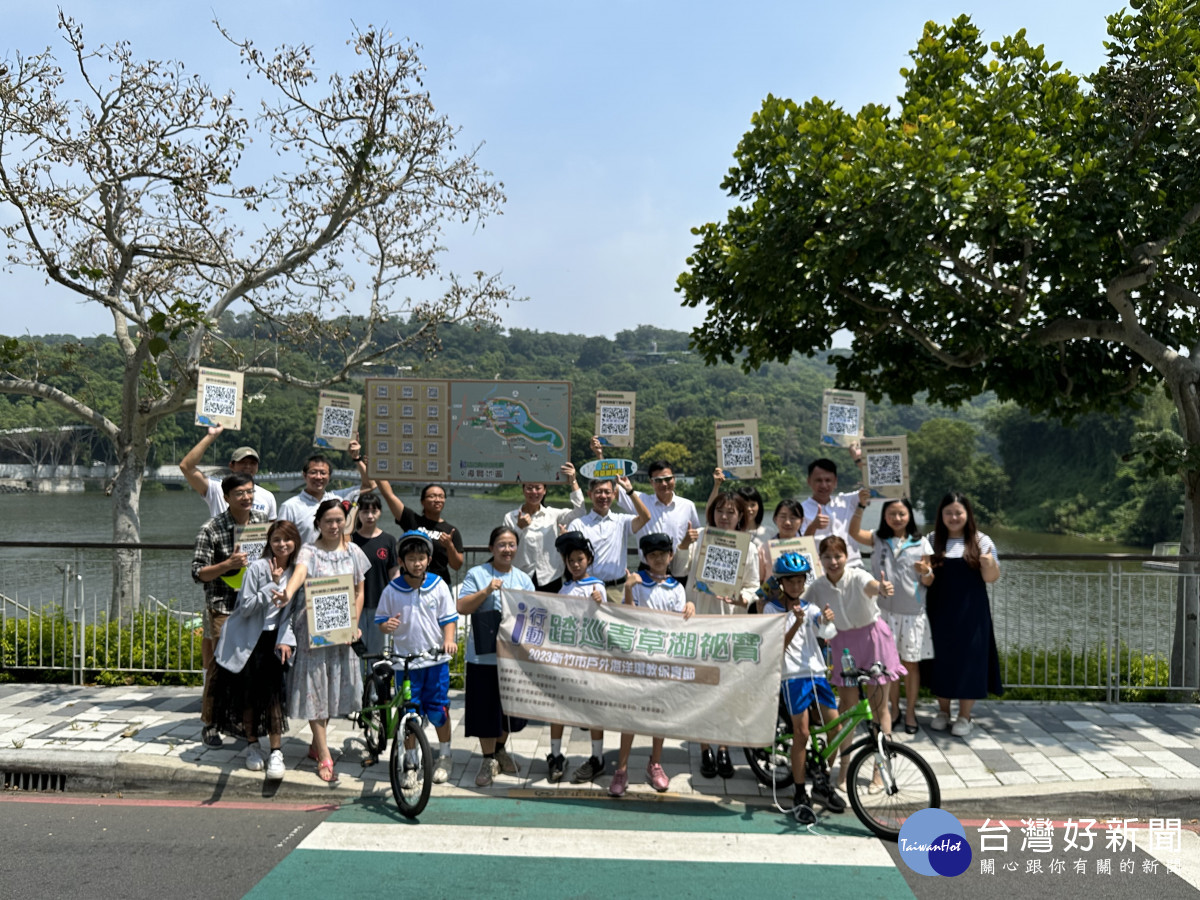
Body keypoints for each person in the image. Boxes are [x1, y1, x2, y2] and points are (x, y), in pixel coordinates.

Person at [276, 498, 369, 783]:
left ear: (346, 522)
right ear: (318, 523)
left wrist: (354, 621)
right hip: (313, 631)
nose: (334, 525)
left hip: (342, 631)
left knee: (331, 688)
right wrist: (288, 592)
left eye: (339, 520)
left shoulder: (353, 551)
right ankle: (325, 753)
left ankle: (316, 745)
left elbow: (359, 590)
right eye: (328, 520)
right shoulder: (309, 551)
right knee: (315, 687)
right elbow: (300, 574)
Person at [808, 535, 904, 791]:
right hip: (843, 646)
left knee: (880, 709)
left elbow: (872, 586)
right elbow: (800, 605)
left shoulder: (857, 575)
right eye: (827, 557)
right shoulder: (817, 586)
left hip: (873, 640)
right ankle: (845, 767)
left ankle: (880, 771)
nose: (833, 562)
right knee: (848, 709)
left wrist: (882, 588)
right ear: (821, 559)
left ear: (846, 556)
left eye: (838, 556)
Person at [209, 519, 304, 780]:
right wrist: (272, 584)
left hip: (276, 639)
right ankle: (252, 745)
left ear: (295, 542)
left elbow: (293, 614)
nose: (282, 544)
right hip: (249, 639)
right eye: (276, 540)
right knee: (249, 696)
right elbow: (246, 607)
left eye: (287, 539)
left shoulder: (297, 571)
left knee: (274, 696)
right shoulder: (259, 568)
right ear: (269, 543)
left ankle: (276, 751)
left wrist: (287, 639)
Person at [610, 533, 695, 797]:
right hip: (638, 658)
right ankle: (621, 768)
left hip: (665, 659)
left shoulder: (677, 588)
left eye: (663, 554)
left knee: (660, 713)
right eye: (653, 555)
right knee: (631, 714)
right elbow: (628, 616)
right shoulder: (637, 583)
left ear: (671, 556)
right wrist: (626, 588)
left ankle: (655, 763)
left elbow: (680, 624)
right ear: (645, 559)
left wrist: (690, 608)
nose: (658, 559)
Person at [684, 491, 761, 780]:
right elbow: (680, 569)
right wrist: (683, 544)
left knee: (728, 690)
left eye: (731, 512)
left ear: (742, 516)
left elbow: (755, 586)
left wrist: (743, 598)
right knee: (703, 688)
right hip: (702, 621)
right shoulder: (700, 537)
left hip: (731, 623)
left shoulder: (749, 547)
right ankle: (705, 747)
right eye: (720, 510)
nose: (724, 516)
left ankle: (724, 747)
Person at [761, 551, 842, 823]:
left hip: (817, 674)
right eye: (791, 581)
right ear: (781, 582)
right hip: (791, 677)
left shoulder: (811, 608)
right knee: (802, 733)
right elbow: (777, 647)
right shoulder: (772, 609)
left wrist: (828, 620)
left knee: (836, 729)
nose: (796, 586)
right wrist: (795, 623)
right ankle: (799, 792)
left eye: (800, 581)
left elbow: (827, 633)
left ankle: (822, 781)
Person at [190, 473, 269, 748]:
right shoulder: (211, 529)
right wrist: (227, 564)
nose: (246, 497)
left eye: (249, 492)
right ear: (226, 497)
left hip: (256, 605)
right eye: (239, 493)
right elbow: (198, 573)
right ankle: (210, 722)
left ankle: (247, 720)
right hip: (224, 606)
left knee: (254, 665)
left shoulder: (262, 524)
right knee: (221, 665)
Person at [376, 531, 459, 785]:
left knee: (437, 711)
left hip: (434, 661)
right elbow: (381, 621)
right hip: (405, 663)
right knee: (408, 714)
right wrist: (386, 626)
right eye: (411, 558)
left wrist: (449, 640)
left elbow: (449, 619)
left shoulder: (438, 585)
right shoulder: (392, 590)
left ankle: (444, 755)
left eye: (421, 557)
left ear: (429, 559)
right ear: (401, 561)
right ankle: (410, 761)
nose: (417, 563)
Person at [457, 526, 536, 787]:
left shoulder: (524, 579)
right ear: (491, 548)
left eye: (512, 544)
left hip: (513, 657)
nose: (507, 550)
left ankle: (500, 749)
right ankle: (488, 757)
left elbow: (535, 615)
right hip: (483, 657)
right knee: (485, 710)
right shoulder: (477, 574)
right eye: (501, 544)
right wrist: (487, 591)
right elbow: (462, 606)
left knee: (512, 711)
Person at [851, 498, 934, 734]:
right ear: (884, 516)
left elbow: (929, 579)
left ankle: (910, 713)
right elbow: (853, 532)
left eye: (902, 513)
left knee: (911, 664)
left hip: (912, 613)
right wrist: (861, 505)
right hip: (883, 612)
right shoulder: (877, 538)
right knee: (888, 666)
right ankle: (893, 709)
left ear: (910, 515)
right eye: (891, 514)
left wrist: (926, 571)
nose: (897, 518)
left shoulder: (922, 543)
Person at [925, 492, 1003, 737]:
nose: (954, 517)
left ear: (968, 514)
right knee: (942, 660)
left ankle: (965, 716)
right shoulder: (931, 539)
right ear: (941, 515)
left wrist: (988, 563)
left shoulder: (982, 541)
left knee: (970, 662)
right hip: (939, 611)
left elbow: (992, 578)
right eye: (948, 512)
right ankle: (943, 711)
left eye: (958, 512)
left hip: (972, 614)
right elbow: (926, 579)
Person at [546, 531, 608, 784]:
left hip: (590, 657)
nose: (575, 564)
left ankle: (597, 757)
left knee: (593, 709)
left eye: (580, 559)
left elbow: (605, 613)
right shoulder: (564, 587)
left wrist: (599, 602)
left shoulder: (596, 585)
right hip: (567, 657)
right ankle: (555, 754)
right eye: (570, 560)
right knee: (558, 707)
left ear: (589, 560)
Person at [593, 438, 700, 581]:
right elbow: (613, 486)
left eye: (668, 479)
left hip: (677, 569)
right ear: (651, 482)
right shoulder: (640, 500)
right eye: (658, 480)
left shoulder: (688, 505)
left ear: (674, 479)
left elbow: (697, 536)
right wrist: (599, 456)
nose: (664, 484)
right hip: (647, 569)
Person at [567, 475, 651, 603]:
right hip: (589, 588)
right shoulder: (578, 524)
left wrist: (630, 490)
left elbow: (645, 517)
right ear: (590, 494)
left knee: (619, 623)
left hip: (617, 589)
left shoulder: (622, 521)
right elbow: (570, 558)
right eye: (598, 492)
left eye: (607, 492)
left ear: (614, 494)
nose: (603, 496)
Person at [502, 463, 584, 592]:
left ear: (544, 490)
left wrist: (573, 481)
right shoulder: (510, 517)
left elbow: (580, 512)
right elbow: (505, 547)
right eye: (529, 488)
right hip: (520, 578)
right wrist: (519, 528)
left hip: (550, 577)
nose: (534, 492)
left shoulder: (553, 514)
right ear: (523, 490)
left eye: (538, 488)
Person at [178, 423, 277, 519]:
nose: (247, 466)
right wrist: (211, 436)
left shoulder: (268, 497)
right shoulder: (217, 489)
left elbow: (273, 531)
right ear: (231, 465)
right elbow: (186, 467)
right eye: (242, 462)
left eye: (252, 463)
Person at [375, 480, 464, 585]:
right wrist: (375, 468)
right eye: (432, 496)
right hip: (410, 582)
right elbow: (389, 495)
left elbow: (456, 565)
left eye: (441, 496)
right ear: (422, 501)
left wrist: (450, 546)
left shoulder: (451, 531)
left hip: (439, 585)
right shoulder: (412, 520)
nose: (437, 500)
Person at [278, 445, 368, 545]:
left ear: (329, 476)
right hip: (303, 560)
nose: (318, 477)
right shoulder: (290, 507)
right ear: (304, 475)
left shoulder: (338, 499)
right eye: (313, 472)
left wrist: (357, 458)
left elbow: (369, 485)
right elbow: (281, 541)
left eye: (323, 473)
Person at [351, 492, 398, 667]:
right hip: (356, 607)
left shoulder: (388, 540)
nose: (370, 516)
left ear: (380, 512)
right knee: (354, 655)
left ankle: (377, 693)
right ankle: (358, 693)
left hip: (381, 606)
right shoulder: (350, 541)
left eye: (374, 511)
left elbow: (394, 573)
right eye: (364, 511)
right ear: (358, 514)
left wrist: (394, 601)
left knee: (379, 656)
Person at [800, 456, 870, 567]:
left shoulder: (847, 501)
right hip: (821, 570)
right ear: (809, 481)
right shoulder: (800, 510)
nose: (823, 485)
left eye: (828, 480)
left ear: (835, 482)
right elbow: (801, 545)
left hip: (852, 567)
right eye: (818, 480)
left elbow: (873, 486)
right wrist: (813, 526)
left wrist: (857, 459)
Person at [756, 498, 805, 587]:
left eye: (793, 518)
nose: (787, 522)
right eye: (782, 516)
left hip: (803, 598)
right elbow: (758, 581)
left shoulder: (808, 547)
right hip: (772, 598)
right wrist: (763, 598)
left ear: (801, 521)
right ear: (775, 518)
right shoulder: (764, 548)